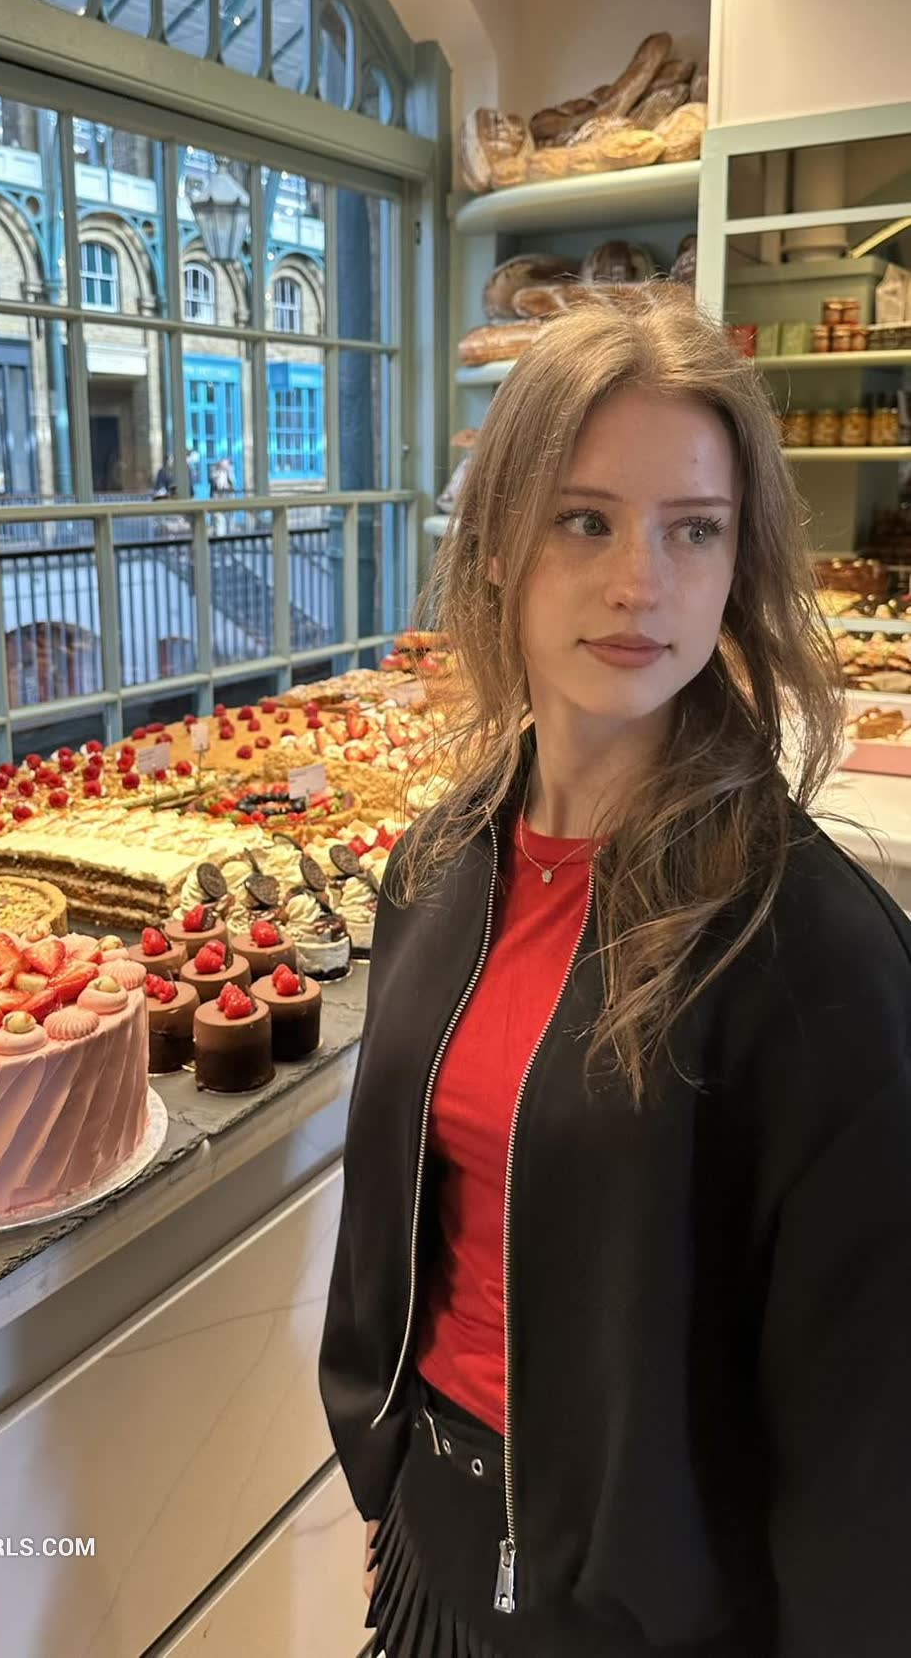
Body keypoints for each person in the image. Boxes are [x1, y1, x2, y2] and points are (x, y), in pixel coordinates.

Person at [320, 284, 911, 1658]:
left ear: (738, 565)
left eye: (692, 529)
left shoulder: (813, 953)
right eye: (583, 520)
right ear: (495, 547)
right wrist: (387, 1461)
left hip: (649, 1616)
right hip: (436, 1545)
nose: (641, 581)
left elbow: (867, 1429)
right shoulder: (436, 867)